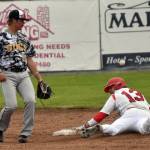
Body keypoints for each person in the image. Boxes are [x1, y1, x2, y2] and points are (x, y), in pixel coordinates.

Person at [0, 9, 43, 143]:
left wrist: (39, 78)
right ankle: (0, 129)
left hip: (23, 75)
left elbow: (29, 60)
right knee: (11, 105)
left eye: (24, 21)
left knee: (31, 100)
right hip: (7, 75)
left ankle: (25, 133)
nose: (23, 23)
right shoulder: (1, 37)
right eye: (21, 20)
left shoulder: (23, 39)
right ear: (12, 20)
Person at [80, 77, 150, 137]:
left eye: (110, 88)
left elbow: (102, 114)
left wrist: (87, 125)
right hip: (146, 113)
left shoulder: (115, 95)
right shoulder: (137, 92)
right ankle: (148, 121)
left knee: (114, 129)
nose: (109, 91)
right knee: (144, 129)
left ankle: (101, 128)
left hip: (130, 115)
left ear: (116, 86)